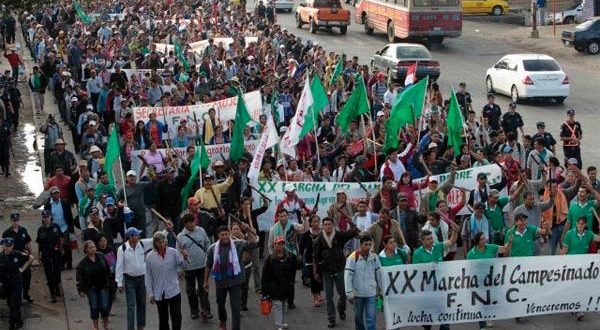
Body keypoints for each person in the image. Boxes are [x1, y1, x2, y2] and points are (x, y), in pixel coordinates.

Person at [204, 226, 258, 330]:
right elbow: (208, 265)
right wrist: (205, 282)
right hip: (221, 282)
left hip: (235, 281)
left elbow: (253, 244)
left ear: (229, 234)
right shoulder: (212, 248)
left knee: (236, 307)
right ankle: (223, 321)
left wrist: (248, 232)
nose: (224, 237)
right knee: (220, 304)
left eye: (226, 234)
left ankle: (236, 327)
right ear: (218, 236)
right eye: (222, 235)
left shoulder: (238, 244)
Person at [313, 217, 360, 328]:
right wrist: (315, 272)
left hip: (339, 268)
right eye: (325, 224)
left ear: (333, 225)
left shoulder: (339, 235)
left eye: (329, 224)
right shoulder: (319, 239)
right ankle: (331, 318)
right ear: (322, 226)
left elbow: (353, 233)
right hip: (326, 271)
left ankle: (341, 309)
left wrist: (354, 227)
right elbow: (315, 256)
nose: (328, 226)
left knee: (343, 293)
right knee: (329, 295)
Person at [412, 222, 459, 330]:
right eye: (428, 239)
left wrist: (455, 231)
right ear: (422, 241)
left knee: (444, 310)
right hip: (426, 287)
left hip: (441, 285)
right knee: (428, 315)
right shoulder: (417, 253)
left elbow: (451, 242)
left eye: (431, 238)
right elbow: (416, 271)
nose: (431, 241)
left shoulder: (437, 247)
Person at [466, 232, 513, 329]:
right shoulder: (471, 254)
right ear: (476, 241)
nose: (484, 241)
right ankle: (482, 325)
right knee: (482, 303)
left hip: (492, 280)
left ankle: (489, 316)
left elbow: (504, 249)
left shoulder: (490, 247)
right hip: (479, 283)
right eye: (482, 239)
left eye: (484, 238)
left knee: (492, 300)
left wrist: (509, 242)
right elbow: (469, 270)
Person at [267, 208, 309, 309]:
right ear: (278, 217)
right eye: (281, 216)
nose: (283, 218)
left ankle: (290, 301)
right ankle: (281, 299)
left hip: (291, 256)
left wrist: (304, 218)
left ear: (287, 216)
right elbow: (270, 245)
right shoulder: (273, 229)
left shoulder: (293, 225)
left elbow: (304, 229)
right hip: (278, 257)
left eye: (285, 216)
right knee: (280, 280)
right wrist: (272, 258)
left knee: (290, 280)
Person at [145, 232, 186, 330]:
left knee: (176, 316)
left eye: (163, 242)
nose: (161, 244)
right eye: (159, 242)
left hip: (173, 290)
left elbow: (182, 264)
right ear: (155, 243)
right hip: (160, 292)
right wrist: (150, 294)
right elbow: (148, 276)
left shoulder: (173, 252)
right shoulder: (150, 257)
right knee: (163, 319)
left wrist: (184, 257)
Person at [115, 227, 153, 330]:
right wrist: (119, 283)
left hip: (141, 279)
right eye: (137, 235)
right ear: (131, 237)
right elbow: (119, 266)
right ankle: (130, 328)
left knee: (142, 304)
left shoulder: (142, 244)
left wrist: (167, 230)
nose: (139, 236)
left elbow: (155, 239)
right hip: (129, 280)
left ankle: (141, 326)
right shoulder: (122, 249)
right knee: (131, 306)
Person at [176, 213, 212, 321]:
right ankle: (194, 311)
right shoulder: (180, 237)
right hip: (189, 268)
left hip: (202, 266)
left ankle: (206, 310)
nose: (192, 225)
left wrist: (209, 260)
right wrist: (180, 268)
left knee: (203, 289)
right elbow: (177, 254)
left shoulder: (201, 231)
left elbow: (207, 244)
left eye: (193, 222)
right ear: (185, 224)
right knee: (190, 291)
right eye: (189, 223)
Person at [261, 236, 300, 330]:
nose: (280, 246)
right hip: (274, 288)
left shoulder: (290, 257)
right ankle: (279, 325)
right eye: (278, 244)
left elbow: (298, 267)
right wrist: (264, 292)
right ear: (274, 245)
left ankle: (282, 322)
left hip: (286, 287)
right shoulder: (270, 259)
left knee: (283, 305)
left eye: (282, 244)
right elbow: (265, 277)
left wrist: (299, 258)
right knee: (278, 305)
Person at [344, 235, 381, 330]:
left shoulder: (374, 257)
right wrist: (349, 293)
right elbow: (348, 276)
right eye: (366, 244)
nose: (368, 247)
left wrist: (380, 289)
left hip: (371, 293)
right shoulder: (353, 257)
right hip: (357, 294)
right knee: (358, 317)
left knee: (371, 318)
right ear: (360, 245)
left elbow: (379, 274)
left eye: (370, 244)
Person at [76, 240, 112, 330]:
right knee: (94, 306)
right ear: (86, 250)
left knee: (104, 306)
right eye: (90, 247)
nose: (93, 249)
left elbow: (108, 269)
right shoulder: (82, 264)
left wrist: (110, 281)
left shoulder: (101, 257)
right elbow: (79, 278)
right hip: (91, 288)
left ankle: (106, 324)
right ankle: (95, 327)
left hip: (103, 286)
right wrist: (81, 290)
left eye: (94, 247)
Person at [0, 237, 34, 330]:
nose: (8, 248)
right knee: (10, 303)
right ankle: (18, 320)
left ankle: (12, 324)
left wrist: (23, 268)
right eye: (6, 246)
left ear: (13, 246)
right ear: (3, 246)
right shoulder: (0, 257)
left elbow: (31, 258)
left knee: (15, 304)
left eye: (10, 246)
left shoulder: (17, 254)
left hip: (16, 283)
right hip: (6, 284)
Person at [2, 213, 33, 303]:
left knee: (27, 277)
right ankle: (14, 297)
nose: (15, 222)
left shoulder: (23, 230)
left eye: (17, 220)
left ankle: (26, 294)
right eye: (14, 221)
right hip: (13, 259)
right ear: (11, 221)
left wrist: (30, 253)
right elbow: (4, 246)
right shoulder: (7, 233)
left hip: (23, 258)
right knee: (14, 279)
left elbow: (28, 242)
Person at [44, 186, 75, 270]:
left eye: (57, 193)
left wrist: (71, 227)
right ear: (51, 195)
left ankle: (69, 262)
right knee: (57, 247)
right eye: (54, 193)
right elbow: (45, 217)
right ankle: (61, 263)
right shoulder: (48, 205)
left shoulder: (64, 203)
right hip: (54, 229)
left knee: (66, 245)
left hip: (64, 227)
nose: (56, 195)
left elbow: (69, 215)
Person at [36, 210, 63, 303]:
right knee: (48, 273)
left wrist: (61, 249)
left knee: (57, 272)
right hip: (46, 253)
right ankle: (52, 294)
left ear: (50, 217)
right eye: (44, 218)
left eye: (47, 217)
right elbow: (39, 243)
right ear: (42, 219)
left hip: (56, 253)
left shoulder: (56, 227)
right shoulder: (40, 230)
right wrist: (39, 255)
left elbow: (61, 238)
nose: (46, 219)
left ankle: (56, 286)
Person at [299, 215, 325, 306]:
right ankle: (315, 298)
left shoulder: (323, 233)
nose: (316, 224)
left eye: (317, 222)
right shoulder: (306, 235)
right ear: (310, 223)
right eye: (314, 222)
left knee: (320, 278)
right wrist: (301, 256)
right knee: (313, 279)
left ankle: (319, 294)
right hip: (310, 260)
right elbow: (301, 248)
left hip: (321, 260)